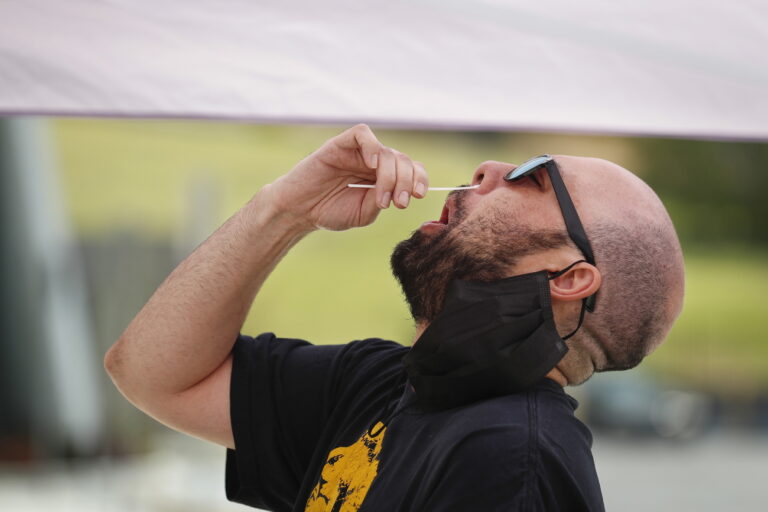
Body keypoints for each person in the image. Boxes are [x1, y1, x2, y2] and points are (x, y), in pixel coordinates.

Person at [104, 124, 685, 511]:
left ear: (569, 277)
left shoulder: (514, 459)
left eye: (530, 175)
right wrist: (284, 210)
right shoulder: (379, 383)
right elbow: (152, 373)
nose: (487, 169)